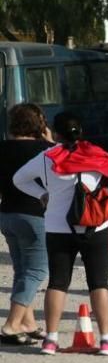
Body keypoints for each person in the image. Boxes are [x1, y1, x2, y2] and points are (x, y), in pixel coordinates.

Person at [13, 112, 108, 355]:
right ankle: (107, 340)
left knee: (58, 282)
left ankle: (50, 340)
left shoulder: (46, 157)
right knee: (99, 283)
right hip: (96, 224)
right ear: (80, 130)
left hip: (57, 226)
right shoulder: (96, 154)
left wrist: (41, 194)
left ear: (55, 133)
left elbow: (19, 179)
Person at [1, 104, 52, 345]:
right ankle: (11, 324)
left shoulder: (2, 148)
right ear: (39, 124)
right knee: (37, 270)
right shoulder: (45, 150)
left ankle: (27, 322)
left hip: (7, 215)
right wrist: (51, 143)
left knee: (22, 270)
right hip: (34, 216)